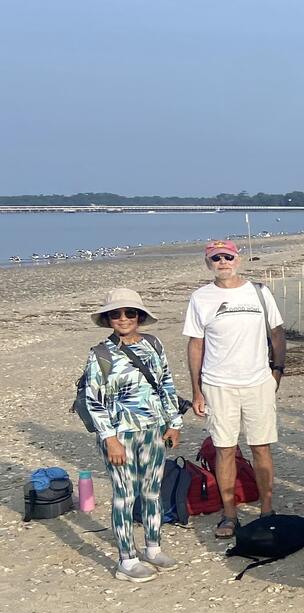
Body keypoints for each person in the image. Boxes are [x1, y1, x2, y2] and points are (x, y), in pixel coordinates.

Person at [183, 239, 286, 539]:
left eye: (228, 257)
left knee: (261, 447)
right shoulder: (200, 298)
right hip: (218, 385)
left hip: (258, 382)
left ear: (238, 260)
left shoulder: (259, 292)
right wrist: (197, 390)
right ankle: (229, 515)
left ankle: (267, 509)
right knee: (224, 450)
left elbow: (276, 333)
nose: (223, 262)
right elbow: (195, 344)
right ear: (208, 264)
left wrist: (277, 371)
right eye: (216, 259)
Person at [81, 289, 184, 582]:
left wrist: (173, 423)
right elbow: (93, 400)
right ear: (108, 318)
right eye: (116, 314)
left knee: (152, 492)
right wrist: (109, 438)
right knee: (124, 496)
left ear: (139, 316)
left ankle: (153, 548)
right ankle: (126, 560)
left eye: (130, 313)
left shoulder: (153, 344)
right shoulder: (99, 354)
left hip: (153, 430)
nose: (123, 319)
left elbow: (165, 383)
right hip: (119, 434)